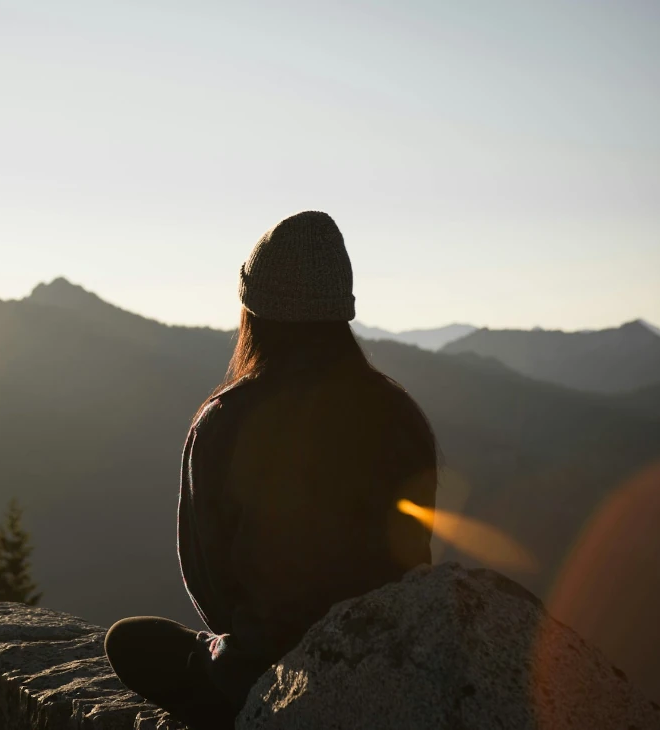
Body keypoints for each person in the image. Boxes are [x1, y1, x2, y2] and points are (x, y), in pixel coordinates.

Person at [103, 211, 438, 729]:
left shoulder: (226, 420)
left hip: (267, 673)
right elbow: (414, 556)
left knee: (131, 641)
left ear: (254, 311)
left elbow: (208, 576)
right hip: (388, 659)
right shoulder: (399, 415)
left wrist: (241, 646)